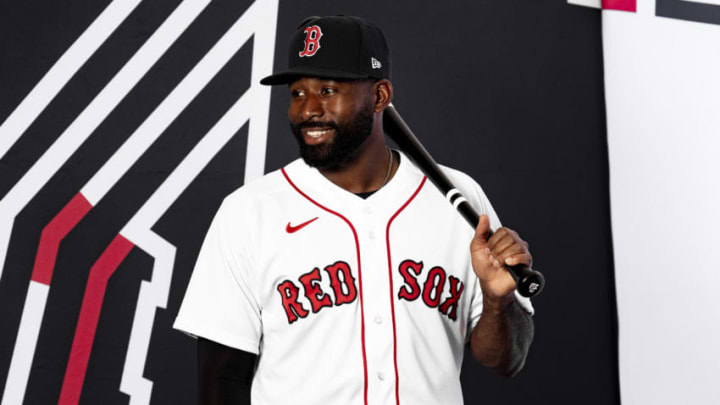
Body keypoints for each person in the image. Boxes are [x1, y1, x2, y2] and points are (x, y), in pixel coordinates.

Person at [174, 15, 535, 405]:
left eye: (328, 90)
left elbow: (505, 361)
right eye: (297, 93)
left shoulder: (459, 198)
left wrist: (497, 299)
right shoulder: (249, 212)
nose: (308, 109)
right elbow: (220, 382)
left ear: (379, 97)